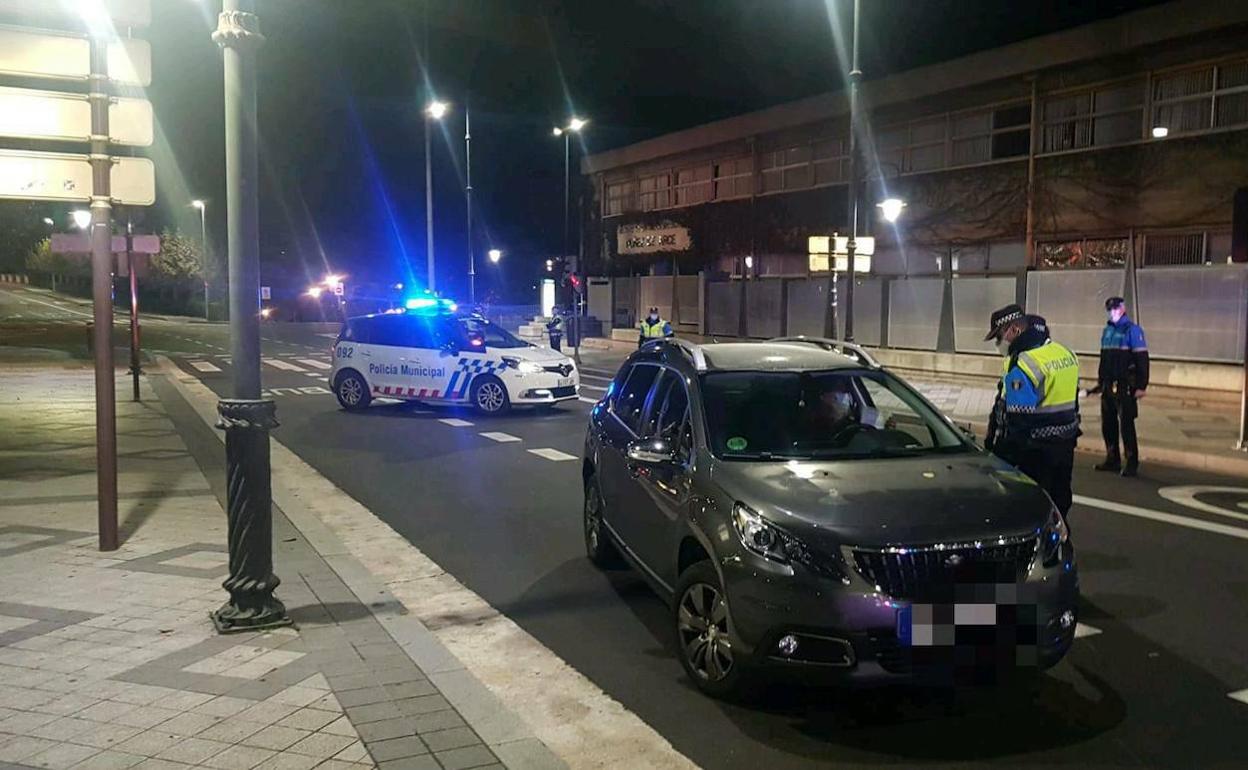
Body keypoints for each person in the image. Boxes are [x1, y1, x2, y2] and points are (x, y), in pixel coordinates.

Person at [982, 305, 1080, 517]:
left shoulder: (1023, 362)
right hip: (1065, 444)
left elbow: (1018, 422)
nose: (999, 344)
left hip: (1035, 453)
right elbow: (1073, 402)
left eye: (1000, 336)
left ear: (1015, 330)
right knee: (1060, 501)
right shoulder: (1064, 353)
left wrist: (999, 454)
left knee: (1031, 508)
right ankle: (1063, 544)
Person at [1091, 297, 1149, 477]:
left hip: (1125, 385)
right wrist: (1101, 383)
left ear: (1123, 309)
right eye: (1110, 309)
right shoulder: (1107, 331)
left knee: (1126, 425)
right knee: (1108, 424)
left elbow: (1142, 360)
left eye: (1116, 308)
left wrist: (1141, 385)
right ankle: (1112, 459)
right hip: (1109, 384)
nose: (1113, 312)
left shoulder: (1132, 330)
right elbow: (1104, 359)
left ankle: (1132, 461)